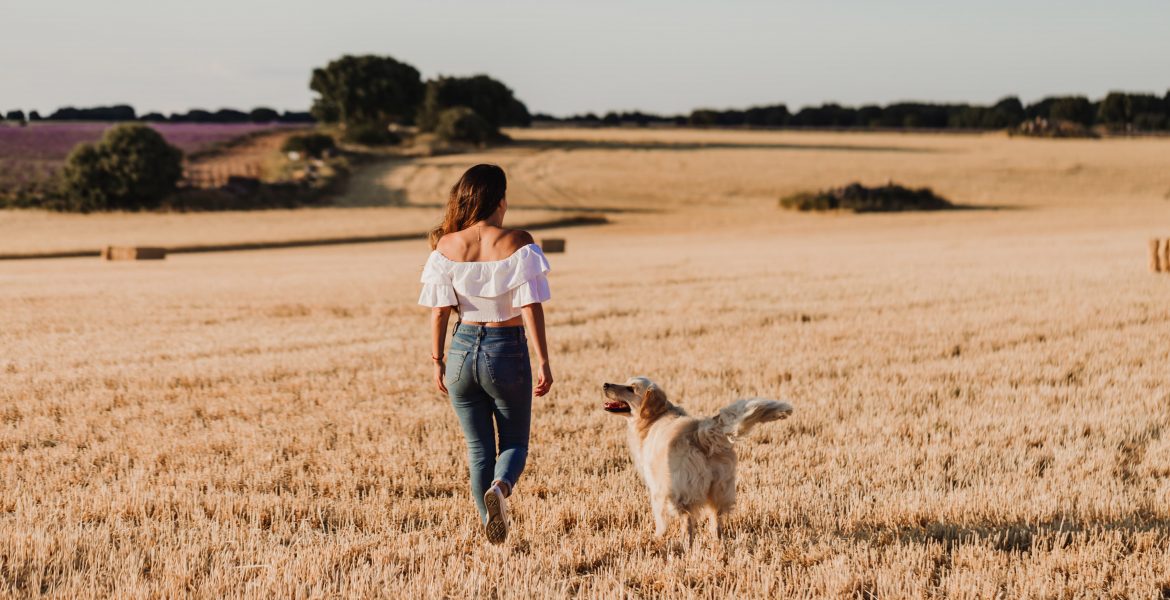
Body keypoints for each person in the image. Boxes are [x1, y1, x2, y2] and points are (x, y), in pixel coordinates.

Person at [417, 164, 554, 544]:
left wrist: (437, 361)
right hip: (505, 348)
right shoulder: (519, 241)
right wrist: (543, 360)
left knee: (478, 450)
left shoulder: (447, 246)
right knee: (514, 443)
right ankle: (501, 488)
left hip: (461, 351)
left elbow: (439, 312)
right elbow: (530, 306)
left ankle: (490, 527)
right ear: (500, 199)